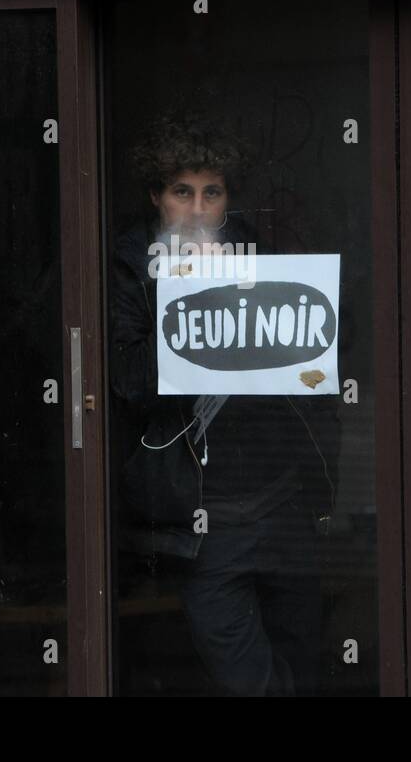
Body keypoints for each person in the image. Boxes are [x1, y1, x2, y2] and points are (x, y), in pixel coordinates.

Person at [109, 112, 341, 696]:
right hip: (205, 520)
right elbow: (126, 381)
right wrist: (189, 296)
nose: (195, 209)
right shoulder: (131, 263)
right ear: (156, 197)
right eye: (181, 192)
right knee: (249, 681)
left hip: (281, 502)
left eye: (211, 194)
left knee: (304, 669)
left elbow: (323, 346)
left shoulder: (257, 253)